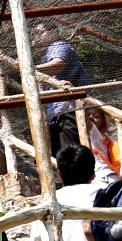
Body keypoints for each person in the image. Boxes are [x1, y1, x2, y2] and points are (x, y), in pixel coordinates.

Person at [34, 22, 89, 152]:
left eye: (39, 33)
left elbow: (57, 65)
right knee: (58, 154)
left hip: (68, 110)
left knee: (69, 152)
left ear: (53, 32)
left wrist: (29, 67)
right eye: (33, 35)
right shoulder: (47, 55)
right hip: (57, 113)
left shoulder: (58, 45)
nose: (35, 38)